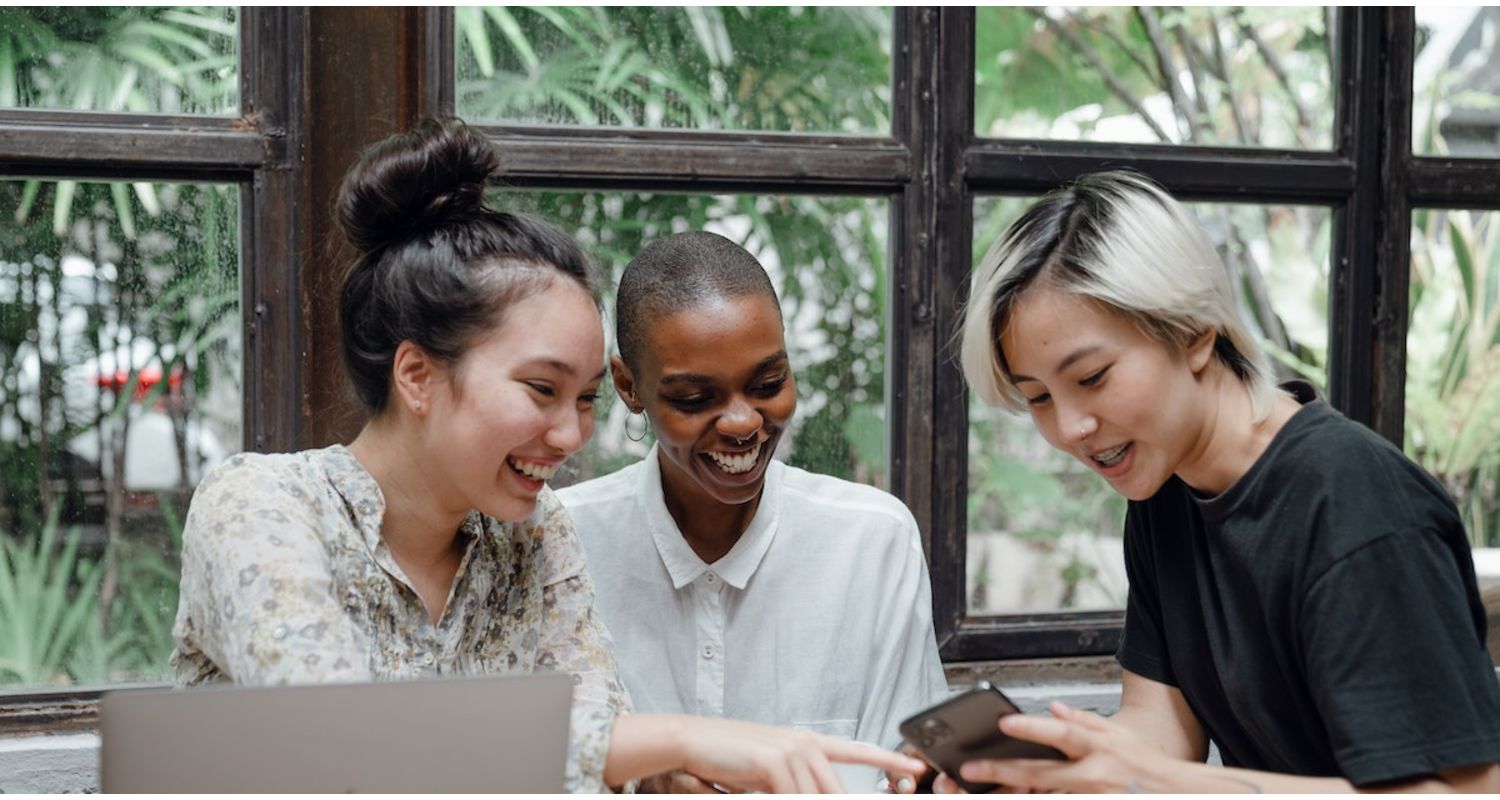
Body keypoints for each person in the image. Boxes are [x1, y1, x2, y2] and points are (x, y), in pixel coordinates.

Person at [168, 118, 923, 794]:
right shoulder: (262, 506)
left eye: (587, 399)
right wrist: (684, 736)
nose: (571, 436)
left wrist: (658, 772)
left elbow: (599, 753)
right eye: (542, 390)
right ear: (417, 375)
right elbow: (338, 744)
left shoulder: (532, 534)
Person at [950, 170, 1500, 793]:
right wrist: (1030, 768)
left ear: (1192, 332)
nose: (1072, 427)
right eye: (1039, 397)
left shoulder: (1356, 505)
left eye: (1093, 376)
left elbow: (1470, 792)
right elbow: (1162, 730)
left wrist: (1175, 784)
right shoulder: (1164, 491)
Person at [557, 231, 949, 793]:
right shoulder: (563, 544)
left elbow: (904, 774)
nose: (743, 424)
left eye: (769, 383)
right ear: (627, 385)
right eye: (695, 399)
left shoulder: (871, 540)